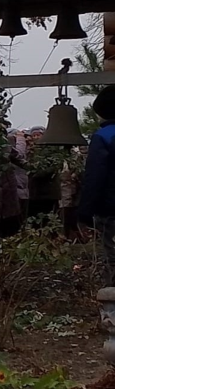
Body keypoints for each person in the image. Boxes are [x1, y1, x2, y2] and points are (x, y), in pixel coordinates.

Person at [77, 85, 115, 286]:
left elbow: (95, 176)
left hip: (111, 208)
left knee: (111, 254)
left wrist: (84, 211)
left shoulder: (104, 137)